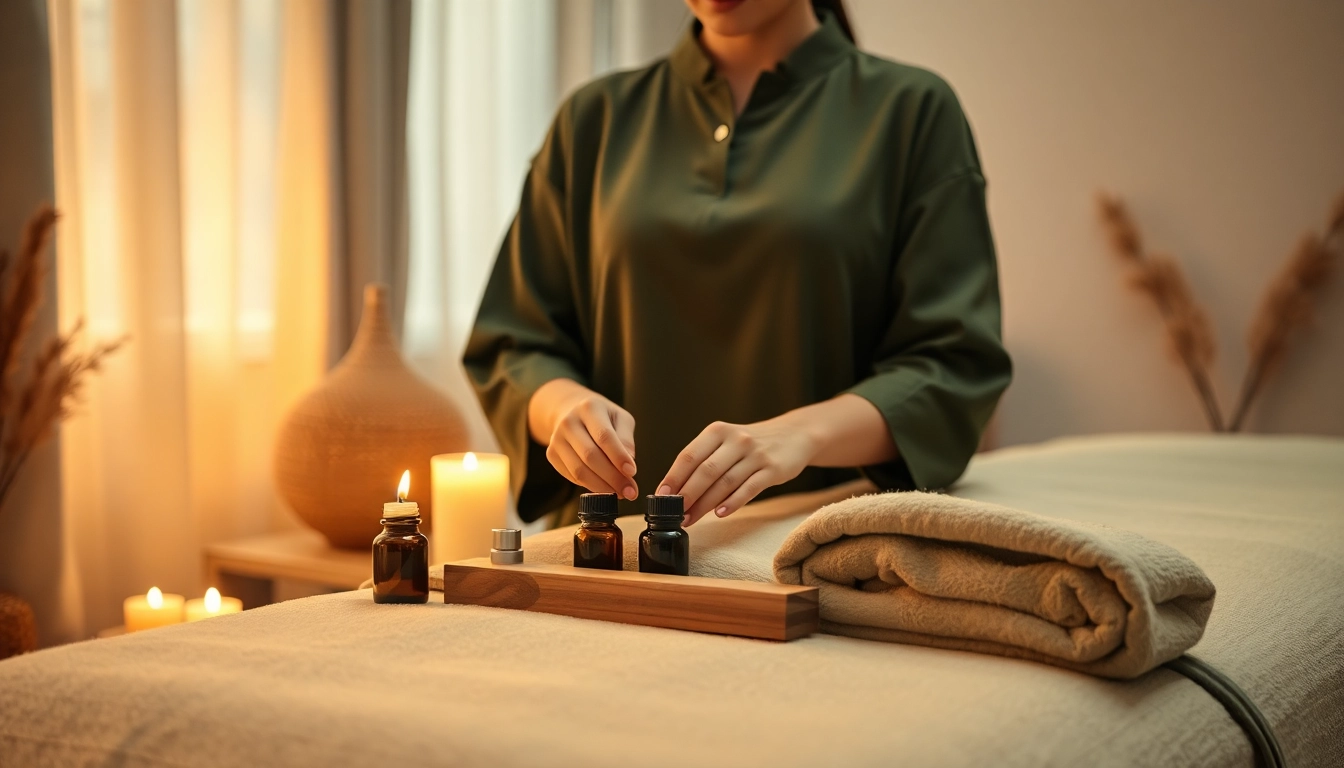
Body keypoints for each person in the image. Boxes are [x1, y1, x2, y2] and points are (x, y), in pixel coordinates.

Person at [464, 0, 1012, 528]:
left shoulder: (912, 112)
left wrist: (800, 436)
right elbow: (515, 341)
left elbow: (954, 366)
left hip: (813, 557)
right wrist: (564, 407)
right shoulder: (593, 119)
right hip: (607, 558)